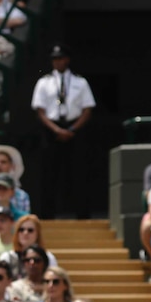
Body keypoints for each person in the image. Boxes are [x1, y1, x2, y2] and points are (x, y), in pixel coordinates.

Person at [31, 44, 96, 219]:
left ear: (67, 59)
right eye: (54, 59)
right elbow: (40, 111)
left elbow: (87, 109)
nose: (57, 62)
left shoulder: (80, 82)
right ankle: (47, 216)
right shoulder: (44, 82)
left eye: (60, 58)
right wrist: (56, 130)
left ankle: (82, 215)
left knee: (78, 173)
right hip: (51, 129)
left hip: (75, 128)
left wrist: (72, 129)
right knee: (49, 174)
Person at [0, 214, 58, 280]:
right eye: (21, 230)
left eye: (30, 230)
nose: (25, 233)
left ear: (37, 234)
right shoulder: (7, 257)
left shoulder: (49, 257)